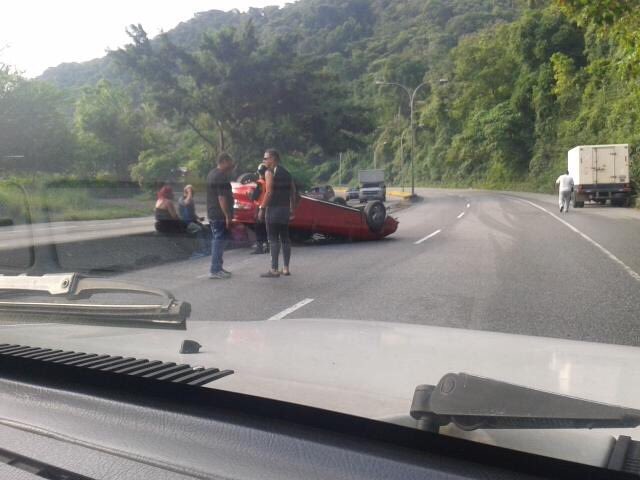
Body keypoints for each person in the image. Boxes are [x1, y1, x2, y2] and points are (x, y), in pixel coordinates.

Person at [258, 149, 298, 278]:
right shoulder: (287, 173)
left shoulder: (269, 172)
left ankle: (274, 269)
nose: (264, 161)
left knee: (273, 239)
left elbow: (269, 192)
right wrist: (292, 208)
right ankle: (286, 268)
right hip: (285, 210)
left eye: (266, 158)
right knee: (285, 238)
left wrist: (262, 208)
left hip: (273, 209)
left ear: (273, 159)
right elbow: (293, 191)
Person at [206, 153, 235, 279]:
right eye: (230, 162)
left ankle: (218, 267)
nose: (231, 164)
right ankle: (215, 269)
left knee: (220, 240)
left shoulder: (212, 173)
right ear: (224, 161)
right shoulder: (221, 176)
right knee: (219, 240)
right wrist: (228, 216)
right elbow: (221, 198)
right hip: (219, 213)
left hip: (213, 212)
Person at [179, 184, 210, 256]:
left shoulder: (191, 200)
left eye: (192, 192)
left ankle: (208, 248)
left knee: (206, 229)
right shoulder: (181, 199)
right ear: (186, 192)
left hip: (192, 221)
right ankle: (203, 250)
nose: (192, 194)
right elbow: (186, 203)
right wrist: (189, 192)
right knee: (199, 229)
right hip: (185, 223)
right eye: (191, 192)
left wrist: (198, 218)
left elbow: (192, 213)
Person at [251, 164, 269, 255]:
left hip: (260, 207)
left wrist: (250, 195)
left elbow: (255, 196)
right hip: (267, 207)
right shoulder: (269, 182)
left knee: (258, 227)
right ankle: (268, 246)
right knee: (266, 227)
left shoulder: (260, 182)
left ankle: (259, 247)